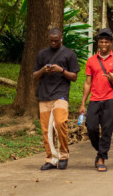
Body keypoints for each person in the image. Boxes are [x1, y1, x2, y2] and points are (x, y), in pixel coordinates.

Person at [79, 28, 113, 172]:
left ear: (111, 43)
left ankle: (101, 159)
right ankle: (101, 150)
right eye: (101, 41)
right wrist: (83, 103)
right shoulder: (91, 61)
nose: (104, 44)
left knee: (107, 129)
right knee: (91, 127)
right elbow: (88, 82)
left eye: (106, 41)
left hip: (111, 99)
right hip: (95, 99)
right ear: (98, 43)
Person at [33, 28, 80, 171]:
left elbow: (74, 77)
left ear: (61, 38)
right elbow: (34, 75)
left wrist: (61, 70)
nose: (54, 43)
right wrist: (43, 70)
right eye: (51, 41)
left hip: (61, 94)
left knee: (60, 123)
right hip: (44, 95)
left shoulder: (69, 54)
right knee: (46, 129)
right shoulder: (42, 54)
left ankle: (63, 155)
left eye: (56, 40)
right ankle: (51, 158)